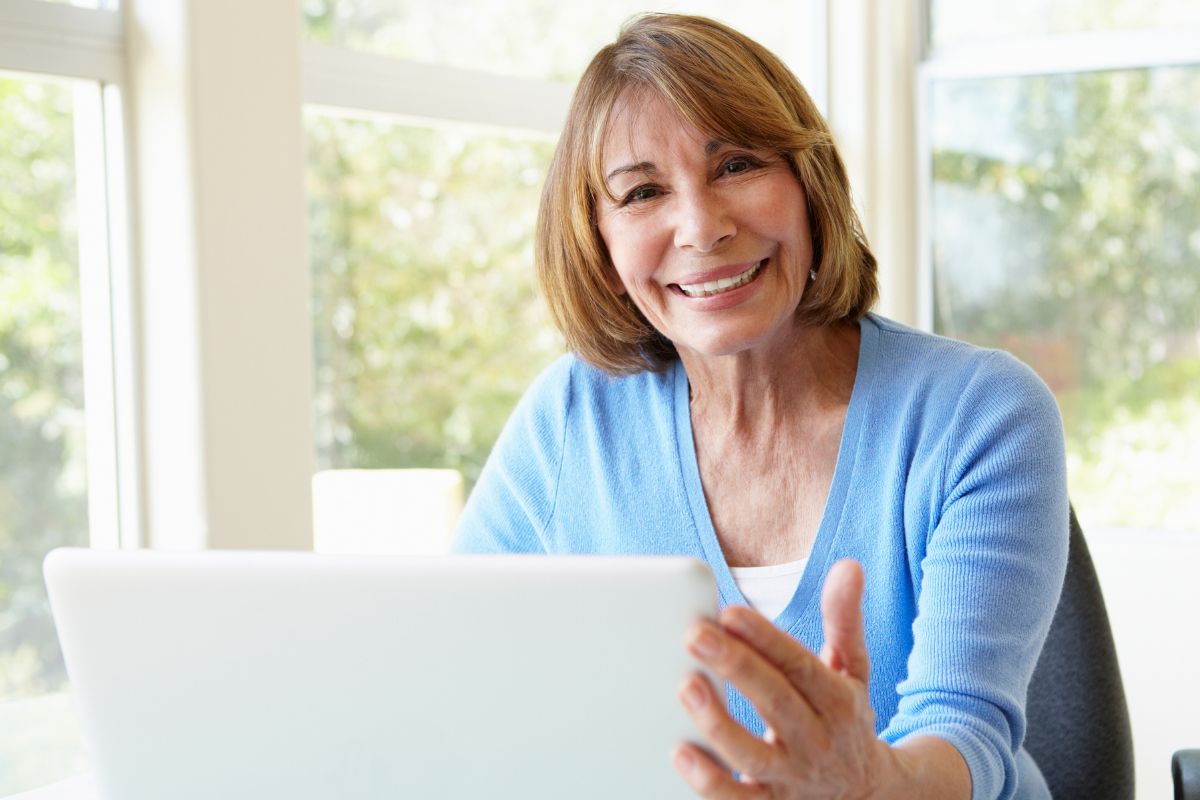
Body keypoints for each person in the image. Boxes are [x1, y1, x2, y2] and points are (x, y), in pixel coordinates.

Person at [452, 12, 1068, 800]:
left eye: (737, 164)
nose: (702, 227)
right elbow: (454, 676)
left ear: (809, 189)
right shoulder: (568, 424)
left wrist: (872, 782)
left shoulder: (979, 415)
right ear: (600, 247)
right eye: (643, 191)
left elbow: (965, 730)